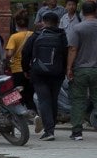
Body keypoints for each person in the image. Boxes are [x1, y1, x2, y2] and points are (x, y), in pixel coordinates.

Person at [66, 0, 97, 141]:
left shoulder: (77, 28)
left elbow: (73, 49)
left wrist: (69, 67)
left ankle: (77, 132)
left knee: (78, 100)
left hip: (80, 69)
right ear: (96, 10)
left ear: (82, 12)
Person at [22, 11, 68, 141]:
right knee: (53, 100)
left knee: (44, 100)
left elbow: (25, 53)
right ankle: (51, 127)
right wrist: (65, 69)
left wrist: (26, 69)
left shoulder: (36, 35)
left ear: (43, 22)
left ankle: (49, 131)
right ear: (57, 22)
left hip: (39, 73)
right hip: (57, 73)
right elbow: (66, 54)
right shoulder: (61, 35)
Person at [4, 10, 35, 112]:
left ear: (16, 23)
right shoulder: (33, 35)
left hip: (17, 69)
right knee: (29, 93)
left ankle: (21, 114)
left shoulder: (14, 37)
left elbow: (9, 54)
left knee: (18, 94)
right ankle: (34, 113)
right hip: (31, 69)